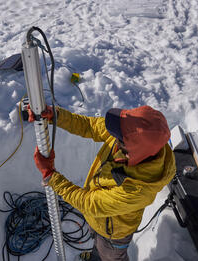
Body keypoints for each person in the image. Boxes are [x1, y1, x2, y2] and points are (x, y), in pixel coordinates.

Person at [30, 105, 176, 261]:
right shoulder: (135, 141)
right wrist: (56, 115)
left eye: (119, 136)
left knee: (111, 256)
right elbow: (90, 126)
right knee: (97, 245)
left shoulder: (137, 190)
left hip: (113, 235)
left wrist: (51, 176)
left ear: (131, 148)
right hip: (99, 220)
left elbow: (88, 203)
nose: (113, 136)